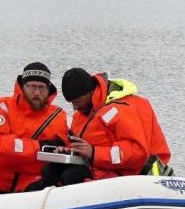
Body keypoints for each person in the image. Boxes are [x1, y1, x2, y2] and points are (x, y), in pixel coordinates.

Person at [42, 68, 171, 186]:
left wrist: (94, 153)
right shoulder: (83, 113)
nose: (74, 108)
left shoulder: (122, 109)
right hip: (103, 168)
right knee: (52, 170)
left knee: (71, 176)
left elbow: (136, 152)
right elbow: (85, 142)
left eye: (76, 101)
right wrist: (69, 150)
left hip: (135, 175)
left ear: (89, 92)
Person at [0, 62, 70, 196]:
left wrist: (62, 148)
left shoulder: (59, 116)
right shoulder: (2, 107)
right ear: (23, 86)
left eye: (42, 88)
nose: (37, 93)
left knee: (44, 189)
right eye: (32, 87)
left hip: (31, 177)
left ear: (49, 89)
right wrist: (40, 146)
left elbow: (68, 145)